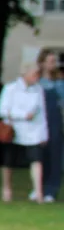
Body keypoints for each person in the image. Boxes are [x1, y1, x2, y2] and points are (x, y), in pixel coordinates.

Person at [0, 62, 49, 203]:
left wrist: (44, 134)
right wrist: (23, 115)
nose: (36, 77)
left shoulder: (38, 89)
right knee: (9, 162)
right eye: (34, 74)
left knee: (36, 160)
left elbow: (42, 113)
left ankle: (38, 192)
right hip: (13, 130)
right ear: (25, 74)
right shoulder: (10, 88)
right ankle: (7, 189)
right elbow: (2, 110)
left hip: (33, 132)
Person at [39, 50, 64, 202]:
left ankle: (51, 190)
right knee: (40, 156)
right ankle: (39, 188)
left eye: (55, 61)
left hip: (55, 122)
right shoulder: (37, 82)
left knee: (55, 155)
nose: (53, 64)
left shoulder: (59, 83)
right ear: (42, 63)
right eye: (50, 61)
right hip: (39, 122)